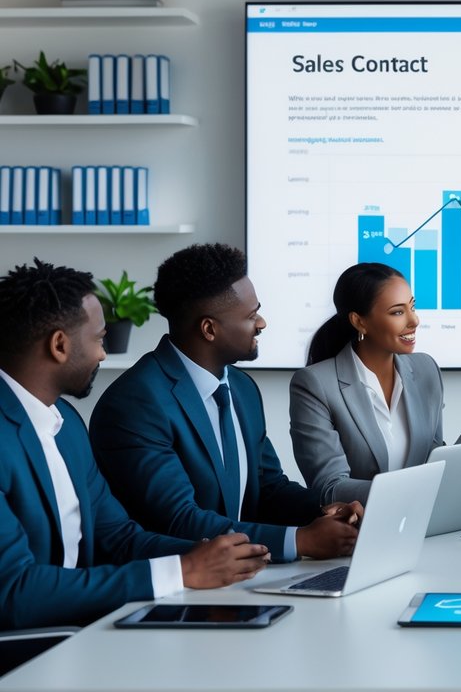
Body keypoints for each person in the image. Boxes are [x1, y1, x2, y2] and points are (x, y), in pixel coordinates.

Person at [0, 260, 270, 631]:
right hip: (26, 649)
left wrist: (216, 555)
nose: (103, 354)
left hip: (84, 630)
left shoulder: (66, 424)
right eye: (99, 339)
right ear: (59, 345)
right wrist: (182, 571)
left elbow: (119, 539)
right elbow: (13, 591)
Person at [90, 243, 362, 563]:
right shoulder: (135, 404)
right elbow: (178, 520)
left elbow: (268, 488)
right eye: (251, 315)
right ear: (209, 329)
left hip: (242, 575)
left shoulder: (242, 388)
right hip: (174, 581)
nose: (261, 323)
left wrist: (324, 512)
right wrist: (299, 541)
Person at [289, 262, 461, 504]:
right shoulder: (315, 385)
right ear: (359, 322)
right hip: (361, 525)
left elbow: (433, 466)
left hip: (423, 521)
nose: (414, 320)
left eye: (412, 307)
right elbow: (329, 488)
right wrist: (409, 491)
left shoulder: (426, 369)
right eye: (397, 312)